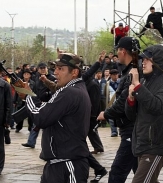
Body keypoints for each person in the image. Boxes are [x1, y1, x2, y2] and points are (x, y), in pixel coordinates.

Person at [19, 54, 91, 183]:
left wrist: (28, 96)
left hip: (67, 165)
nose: (55, 72)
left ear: (74, 72)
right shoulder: (73, 90)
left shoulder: (70, 92)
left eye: (60, 69)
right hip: (58, 164)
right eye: (55, 68)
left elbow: (42, 117)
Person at [125, 44, 163, 183]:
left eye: (147, 59)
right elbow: (132, 116)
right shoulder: (144, 82)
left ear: (157, 61)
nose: (143, 62)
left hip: (156, 144)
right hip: (143, 142)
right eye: (142, 59)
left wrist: (138, 86)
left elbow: (157, 106)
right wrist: (131, 99)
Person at [97, 37, 139, 183]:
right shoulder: (130, 70)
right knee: (142, 175)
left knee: (117, 173)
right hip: (131, 128)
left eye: (118, 51)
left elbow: (123, 101)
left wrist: (106, 113)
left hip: (132, 129)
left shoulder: (133, 73)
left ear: (123, 51)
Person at [21, 63, 56, 148]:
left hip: (48, 103)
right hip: (38, 102)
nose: (43, 69)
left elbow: (55, 90)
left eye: (44, 68)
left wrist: (47, 94)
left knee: (46, 126)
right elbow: (35, 89)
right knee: (36, 123)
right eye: (41, 68)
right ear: (38, 69)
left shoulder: (51, 78)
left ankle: (48, 145)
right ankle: (31, 142)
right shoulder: (36, 78)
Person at [104, 69, 120, 137]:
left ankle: (121, 130)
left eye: (116, 75)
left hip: (120, 102)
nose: (116, 76)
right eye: (114, 75)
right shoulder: (107, 84)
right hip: (111, 103)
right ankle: (114, 131)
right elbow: (105, 93)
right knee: (111, 118)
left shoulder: (121, 82)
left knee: (120, 117)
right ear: (111, 75)